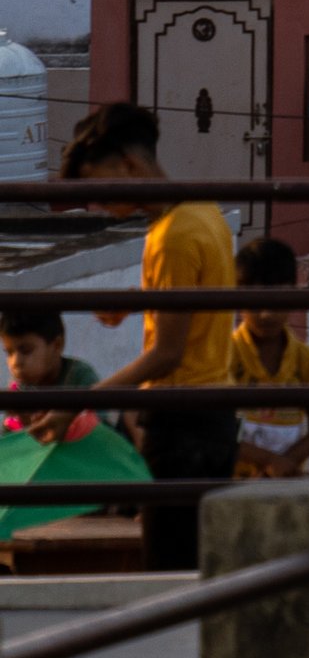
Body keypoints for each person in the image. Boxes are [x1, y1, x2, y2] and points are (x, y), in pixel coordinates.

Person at [59, 100, 238, 569]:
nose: (97, 203)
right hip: (215, 418)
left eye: (98, 187)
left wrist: (79, 403)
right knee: (198, 568)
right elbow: (193, 289)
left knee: (168, 570)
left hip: (181, 424)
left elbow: (166, 354)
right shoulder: (199, 209)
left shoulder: (172, 236)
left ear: (128, 164)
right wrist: (138, 298)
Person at [226, 236, 309, 480]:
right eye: (256, 303)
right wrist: (269, 461)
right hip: (232, 482)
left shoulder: (306, 360)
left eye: (277, 299)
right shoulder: (227, 355)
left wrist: (287, 462)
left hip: (284, 481)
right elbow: (216, 432)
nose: (267, 314)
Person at [0, 302, 100, 436]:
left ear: (57, 345)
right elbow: (9, 440)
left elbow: (100, 427)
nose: (16, 362)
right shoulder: (20, 388)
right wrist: (22, 421)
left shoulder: (80, 377)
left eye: (27, 351)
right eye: (9, 353)